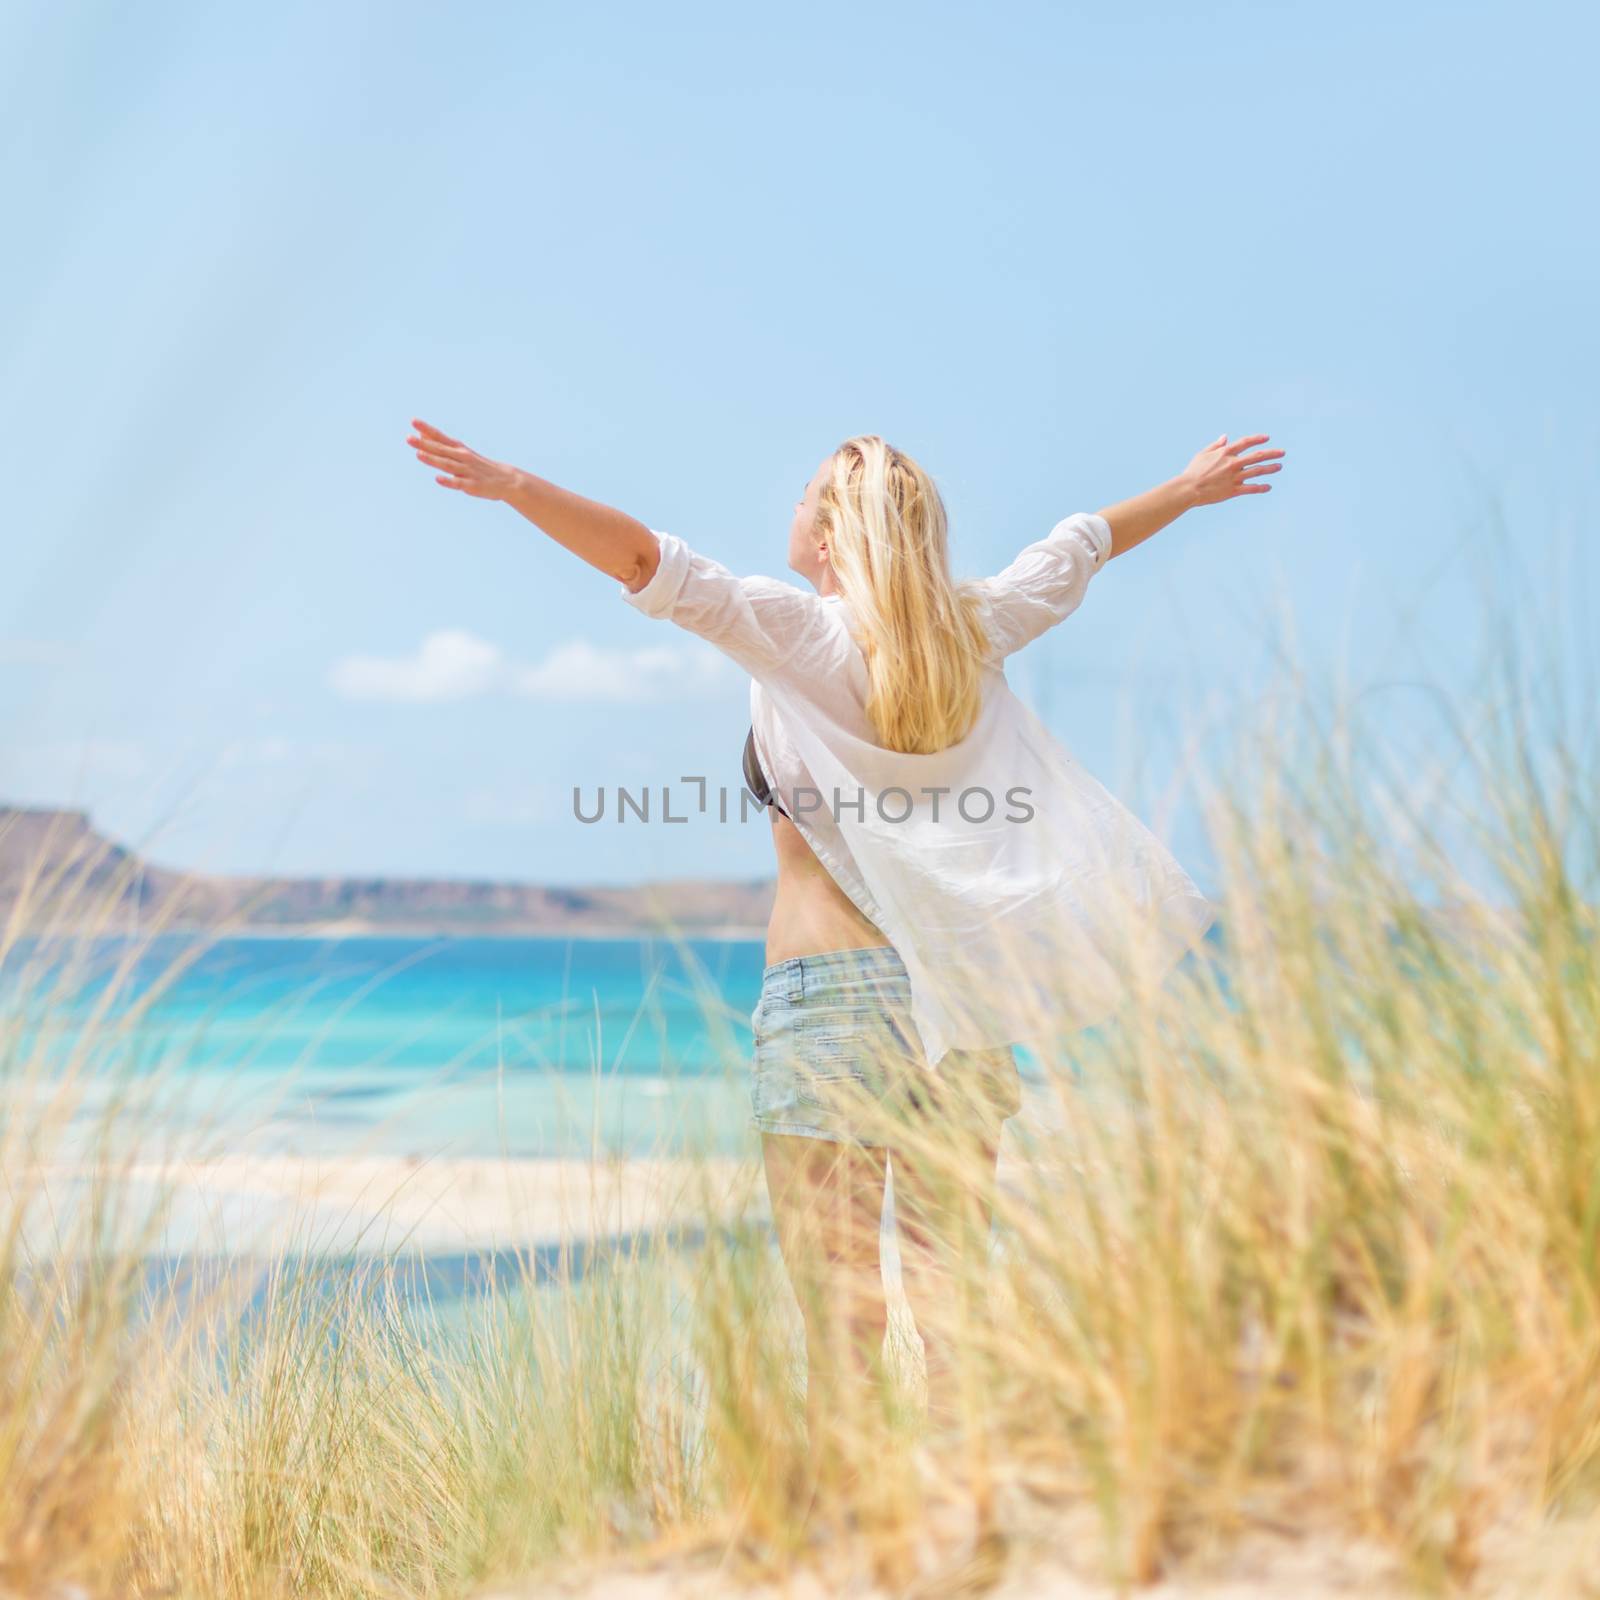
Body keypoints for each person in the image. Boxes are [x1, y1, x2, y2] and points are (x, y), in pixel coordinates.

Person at [404, 417, 1284, 1528]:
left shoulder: (797, 634)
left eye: (813, 492)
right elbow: (1082, 543)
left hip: (826, 1012)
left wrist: (516, 484)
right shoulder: (976, 629)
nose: (797, 503)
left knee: (841, 1322)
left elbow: (644, 561)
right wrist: (1188, 489)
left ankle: (851, 1544)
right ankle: (973, 1530)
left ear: (830, 534)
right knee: (955, 1297)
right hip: (955, 1018)